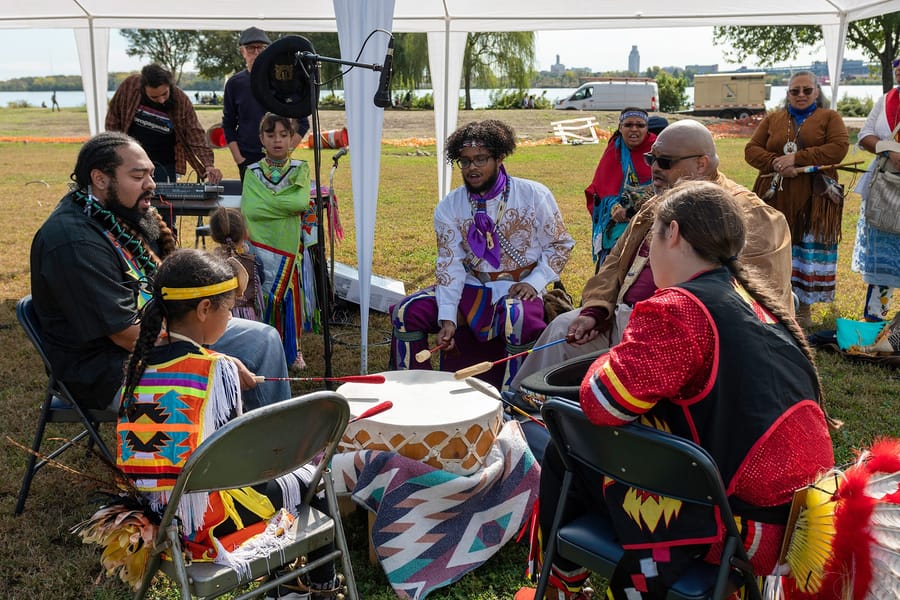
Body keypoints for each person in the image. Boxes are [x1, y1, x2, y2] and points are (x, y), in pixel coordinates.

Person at [516, 181, 835, 600]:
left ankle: (562, 587)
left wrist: (605, 360)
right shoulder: (754, 301)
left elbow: (603, 402)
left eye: (650, 239)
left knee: (569, 447)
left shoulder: (676, 309)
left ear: (673, 234)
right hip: (795, 520)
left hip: (734, 527)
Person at [112, 248, 338, 599]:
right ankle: (316, 587)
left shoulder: (137, 365)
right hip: (204, 522)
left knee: (271, 485)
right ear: (204, 309)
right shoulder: (213, 371)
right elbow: (241, 461)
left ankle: (284, 583)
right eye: (229, 309)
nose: (231, 317)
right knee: (312, 478)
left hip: (155, 513)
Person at [508, 119, 793, 397]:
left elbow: (763, 301)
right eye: (651, 158)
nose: (654, 168)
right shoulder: (660, 201)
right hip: (621, 321)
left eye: (665, 162)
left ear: (701, 163)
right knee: (562, 329)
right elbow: (615, 262)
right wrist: (595, 310)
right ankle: (521, 411)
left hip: (680, 340)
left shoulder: (751, 214)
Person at [29, 131, 290, 412]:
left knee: (263, 340)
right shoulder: (73, 241)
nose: (151, 185)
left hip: (162, 332)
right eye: (138, 176)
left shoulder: (122, 212)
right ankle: (250, 449)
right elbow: (125, 334)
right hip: (107, 369)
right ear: (100, 179)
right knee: (222, 375)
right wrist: (212, 358)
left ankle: (279, 447)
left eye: (151, 174)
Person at [390, 120, 575, 391]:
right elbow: (449, 264)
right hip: (471, 287)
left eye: (480, 159)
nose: (472, 168)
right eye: (464, 162)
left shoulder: (534, 194)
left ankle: (515, 397)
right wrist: (448, 318)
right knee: (407, 311)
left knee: (518, 318)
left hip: (519, 286)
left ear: (499, 157)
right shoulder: (449, 206)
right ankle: (416, 392)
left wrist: (534, 282)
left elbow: (560, 244)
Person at [745, 70, 849, 326]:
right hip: (776, 195)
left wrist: (797, 159)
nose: (800, 95)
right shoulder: (774, 119)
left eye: (806, 90)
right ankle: (771, 303)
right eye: (795, 91)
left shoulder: (829, 117)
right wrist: (777, 163)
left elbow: (838, 148)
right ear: (788, 94)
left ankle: (804, 309)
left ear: (817, 92)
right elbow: (751, 150)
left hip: (814, 199)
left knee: (806, 250)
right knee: (774, 247)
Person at [242, 113, 318, 370]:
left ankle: (293, 348)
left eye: (283, 135)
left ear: (291, 138)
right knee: (262, 298)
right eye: (271, 135)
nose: (277, 140)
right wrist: (284, 205)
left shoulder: (300, 168)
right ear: (261, 138)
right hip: (260, 246)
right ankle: (265, 349)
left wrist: (269, 202)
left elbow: (299, 203)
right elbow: (251, 210)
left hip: (288, 247)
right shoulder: (252, 172)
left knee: (289, 300)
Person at [106, 63, 223, 186]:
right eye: (154, 97)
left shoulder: (180, 100)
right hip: (132, 161)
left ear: (169, 86)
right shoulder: (129, 87)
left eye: (164, 94)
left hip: (165, 164)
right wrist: (118, 152)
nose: (161, 100)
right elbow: (113, 120)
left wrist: (209, 165)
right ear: (143, 89)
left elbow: (195, 133)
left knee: (163, 201)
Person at [223, 27, 310, 179]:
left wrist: (285, 153)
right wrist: (239, 160)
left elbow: (302, 122)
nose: (256, 52)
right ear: (242, 52)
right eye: (251, 48)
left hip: (278, 160)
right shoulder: (234, 84)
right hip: (247, 158)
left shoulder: (282, 81)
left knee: (278, 199)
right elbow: (228, 124)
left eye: (261, 48)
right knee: (252, 201)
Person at [852, 57, 900, 322]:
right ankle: (876, 316)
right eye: (897, 68)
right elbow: (865, 134)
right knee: (884, 250)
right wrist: (888, 148)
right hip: (884, 185)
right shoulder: (886, 100)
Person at [585, 108, 656, 267]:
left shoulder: (657, 149)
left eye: (640, 125)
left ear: (647, 128)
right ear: (620, 127)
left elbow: (667, 185)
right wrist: (614, 208)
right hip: (618, 218)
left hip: (653, 215)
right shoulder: (614, 150)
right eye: (628, 125)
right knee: (614, 250)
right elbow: (601, 186)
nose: (634, 129)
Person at [209, 206, 264, 321]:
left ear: (213, 236)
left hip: (219, 319)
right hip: (249, 321)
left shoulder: (209, 264)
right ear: (244, 233)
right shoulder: (254, 262)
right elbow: (261, 281)